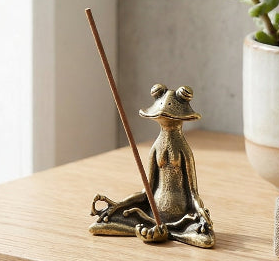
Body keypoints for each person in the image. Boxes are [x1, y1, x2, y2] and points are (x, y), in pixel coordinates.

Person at [89, 84, 214, 248]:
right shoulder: (156, 147)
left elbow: (192, 191)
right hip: (151, 213)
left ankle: (170, 230)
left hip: (181, 216)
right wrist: (119, 205)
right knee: (107, 221)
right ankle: (147, 226)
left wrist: (201, 213)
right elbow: (147, 189)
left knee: (204, 238)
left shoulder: (183, 149)